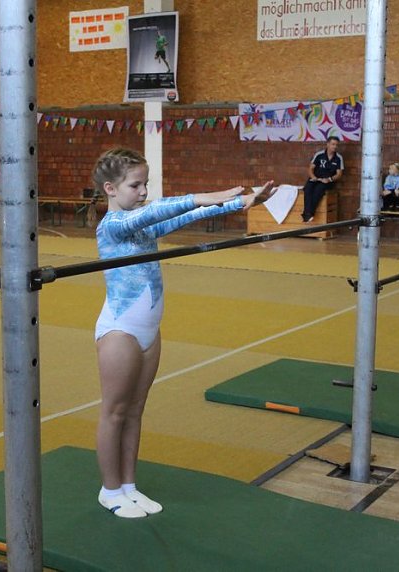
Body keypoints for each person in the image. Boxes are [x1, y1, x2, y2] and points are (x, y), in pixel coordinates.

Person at [92, 147, 275, 518]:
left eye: (146, 184)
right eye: (135, 185)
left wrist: (243, 203)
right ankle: (109, 490)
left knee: (136, 410)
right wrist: (222, 193)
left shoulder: (141, 225)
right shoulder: (111, 225)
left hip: (148, 330)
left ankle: (129, 485)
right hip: (120, 331)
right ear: (110, 189)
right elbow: (165, 207)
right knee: (114, 412)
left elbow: (186, 214)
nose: (143, 192)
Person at [301, 136, 343, 223]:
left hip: (328, 181)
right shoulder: (319, 155)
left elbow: (339, 174)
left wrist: (329, 179)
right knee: (308, 188)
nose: (335, 147)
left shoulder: (339, 158)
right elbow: (310, 168)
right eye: (333, 144)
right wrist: (313, 177)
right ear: (327, 144)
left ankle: (308, 214)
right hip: (316, 178)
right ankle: (308, 214)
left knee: (318, 190)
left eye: (336, 145)